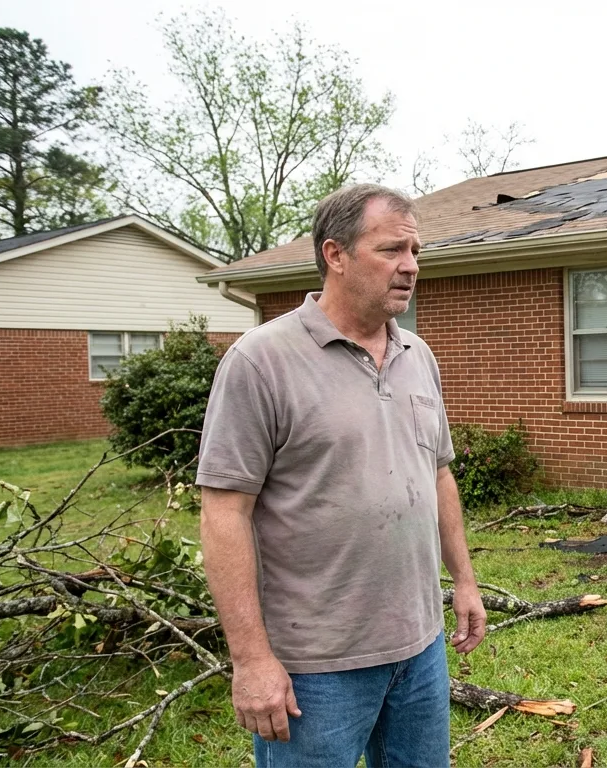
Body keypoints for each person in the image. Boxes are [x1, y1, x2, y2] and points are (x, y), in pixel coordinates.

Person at [197, 184, 485, 768]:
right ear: (336, 254)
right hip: (316, 665)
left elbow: (437, 474)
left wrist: (464, 580)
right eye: (391, 250)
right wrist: (251, 660)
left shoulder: (417, 355)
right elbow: (224, 511)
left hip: (420, 649)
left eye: (415, 251)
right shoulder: (261, 360)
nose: (411, 266)